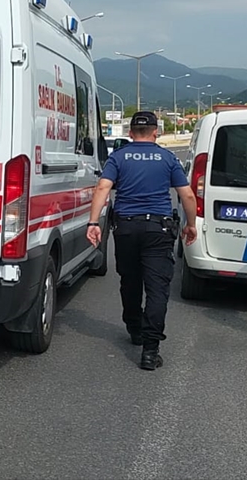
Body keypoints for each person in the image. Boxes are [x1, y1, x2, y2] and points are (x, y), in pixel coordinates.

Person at [88, 111, 198, 371]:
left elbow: (103, 188)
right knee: (157, 288)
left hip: (126, 227)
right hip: (158, 230)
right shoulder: (168, 158)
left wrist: (93, 223)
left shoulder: (118, 157)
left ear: (130, 133)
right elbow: (187, 195)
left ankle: (135, 328)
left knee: (130, 279)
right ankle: (150, 350)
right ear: (156, 132)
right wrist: (191, 225)